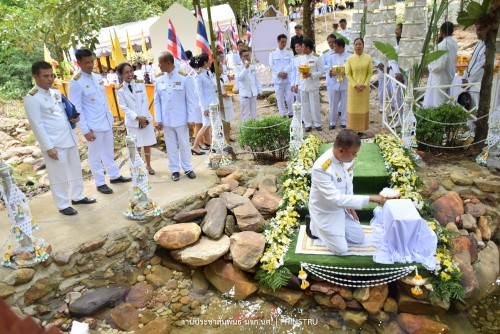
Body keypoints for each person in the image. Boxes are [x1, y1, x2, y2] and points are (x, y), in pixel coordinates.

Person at [24, 61, 96, 215]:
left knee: (75, 169)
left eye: (52, 75)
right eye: (45, 76)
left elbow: (63, 115)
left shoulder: (55, 92)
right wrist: (48, 147)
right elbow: (37, 126)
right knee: (58, 175)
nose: (50, 79)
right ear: (35, 76)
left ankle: (77, 196)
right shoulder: (32, 98)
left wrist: (73, 119)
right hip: (54, 144)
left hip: (69, 138)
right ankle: (63, 204)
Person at [307, 129, 386, 254]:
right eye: (353, 153)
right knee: (341, 249)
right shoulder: (321, 168)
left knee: (358, 238)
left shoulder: (347, 159)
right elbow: (336, 199)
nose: (356, 156)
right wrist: (371, 198)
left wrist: (351, 206)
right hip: (325, 212)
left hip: (341, 209)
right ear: (341, 151)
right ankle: (315, 227)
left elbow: (348, 184)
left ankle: (335, 231)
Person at [69, 49, 131, 194]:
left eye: (92, 61)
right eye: (87, 63)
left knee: (108, 151)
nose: (90, 65)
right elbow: (77, 108)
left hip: (105, 120)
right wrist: (85, 130)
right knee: (95, 155)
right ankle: (100, 182)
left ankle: (114, 175)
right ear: (79, 63)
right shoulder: (76, 82)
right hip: (93, 124)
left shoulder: (97, 77)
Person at [154, 51, 198, 181]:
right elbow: (157, 101)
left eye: (160, 63)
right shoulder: (159, 79)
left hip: (181, 118)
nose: (159, 65)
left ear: (168, 63)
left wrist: (191, 119)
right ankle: (174, 170)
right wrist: (158, 119)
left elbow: (191, 100)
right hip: (166, 119)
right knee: (171, 145)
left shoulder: (184, 78)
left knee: (184, 144)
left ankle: (188, 167)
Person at [116, 62, 157, 175]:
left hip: (145, 119)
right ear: (121, 75)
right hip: (133, 122)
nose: (129, 74)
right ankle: (139, 168)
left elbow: (145, 100)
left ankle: (149, 165)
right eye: (126, 72)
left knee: (147, 144)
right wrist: (137, 117)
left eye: (130, 71)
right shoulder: (119, 90)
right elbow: (124, 107)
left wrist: (143, 118)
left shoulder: (140, 84)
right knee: (136, 145)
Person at [423, 21, 458, 108]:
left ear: (441, 31)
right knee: (446, 103)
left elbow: (440, 65)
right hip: (449, 76)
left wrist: (430, 66)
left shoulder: (442, 45)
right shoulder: (454, 43)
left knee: (439, 105)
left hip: (440, 79)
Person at [345, 38, 372, 134]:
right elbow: (348, 74)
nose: (358, 46)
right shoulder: (349, 59)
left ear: (363, 46)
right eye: (356, 44)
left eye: (360, 44)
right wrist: (355, 85)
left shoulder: (368, 58)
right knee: (353, 109)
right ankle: (352, 130)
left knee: (363, 109)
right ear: (353, 46)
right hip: (353, 89)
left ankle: (361, 130)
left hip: (364, 89)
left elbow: (370, 73)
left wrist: (364, 84)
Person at [295, 38, 323, 132]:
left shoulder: (317, 57)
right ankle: (307, 124)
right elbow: (298, 73)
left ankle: (317, 124)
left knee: (315, 105)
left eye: (303, 47)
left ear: (308, 48)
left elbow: (321, 72)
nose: (302, 49)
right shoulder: (301, 58)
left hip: (313, 85)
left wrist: (311, 74)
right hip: (303, 85)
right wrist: (297, 84)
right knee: (304, 105)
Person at [192, 53, 215, 155]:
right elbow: (200, 93)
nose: (210, 62)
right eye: (209, 60)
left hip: (212, 103)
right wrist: (204, 108)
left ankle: (211, 144)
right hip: (206, 105)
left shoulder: (207, 73)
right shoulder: (198, 76)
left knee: (210, 125)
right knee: (206, 125)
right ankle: (195, 146)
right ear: (205, 62)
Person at [325, 38, 349, 129]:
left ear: (341, 46)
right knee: (333, 104)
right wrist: (331, 72)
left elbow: (350, 69)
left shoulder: (349, 56)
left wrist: (345, 72)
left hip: (345, 82)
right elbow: (328, 68)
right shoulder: (331, 56)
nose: (334, 48)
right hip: (334, 83)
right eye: (333, 46)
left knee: (345, 103)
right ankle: (332, 122)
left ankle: (344, 121)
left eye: (336, 46)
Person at [269, 34, 294, 118]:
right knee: (280, 99)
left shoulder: (290, 51)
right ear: (278, 41)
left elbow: (291, 63)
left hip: (287, 79)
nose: (284, 43)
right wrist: (279, 73)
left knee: (290, 97)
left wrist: (285, 72)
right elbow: (271, 65)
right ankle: (282, 114)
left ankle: (291, 113)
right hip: (278, 80)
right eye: (282, 42)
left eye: (285, 42)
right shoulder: (272, 53)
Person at [236, 48, 262, 122]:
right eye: (245, 56)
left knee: (253, 113)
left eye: (248, 55)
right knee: (245, 114)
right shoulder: (237, 66)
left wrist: (259, 90)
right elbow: (239, 78)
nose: (247, 57)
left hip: (253, 92)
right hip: (245, 93)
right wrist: (245, 69)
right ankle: (245, 130)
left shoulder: (252, 65)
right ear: (241, 57)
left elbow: (256, 78)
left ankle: (254, 129)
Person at [217, 62, 236, 141]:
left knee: (228, 120)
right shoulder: (212, 78)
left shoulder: (225, 76)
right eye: (219, 67)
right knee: (220, 122)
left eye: (222, 67)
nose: (221, 69)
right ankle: (221, 139)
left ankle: (228, 137)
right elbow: (213, 91)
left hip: (227, 100)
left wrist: (229, 92)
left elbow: (228, 86)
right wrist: (221, 94)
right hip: (219, 101)